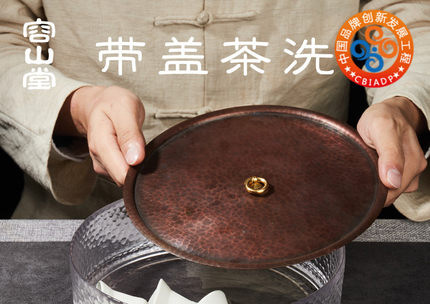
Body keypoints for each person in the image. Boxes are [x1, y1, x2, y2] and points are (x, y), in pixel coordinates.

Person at [0, 0, 429, 219]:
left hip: (314, 218)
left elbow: (398, 16)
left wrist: (404, 103)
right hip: (84, 223)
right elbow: (7, 34)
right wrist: (77, 107)